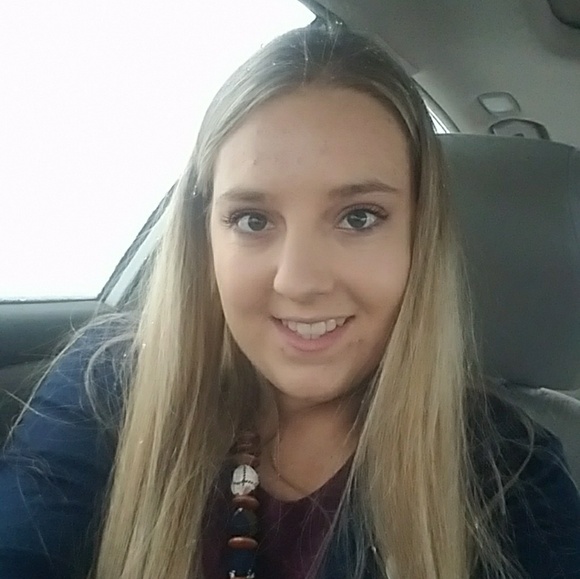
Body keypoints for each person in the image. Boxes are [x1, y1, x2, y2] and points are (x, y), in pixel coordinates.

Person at [1, 23, 579, 579]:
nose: (299, 281)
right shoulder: (108, 390)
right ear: (204, 237)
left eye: (359, 217)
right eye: (252, 220)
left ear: (419, 238)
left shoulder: (511, 475)